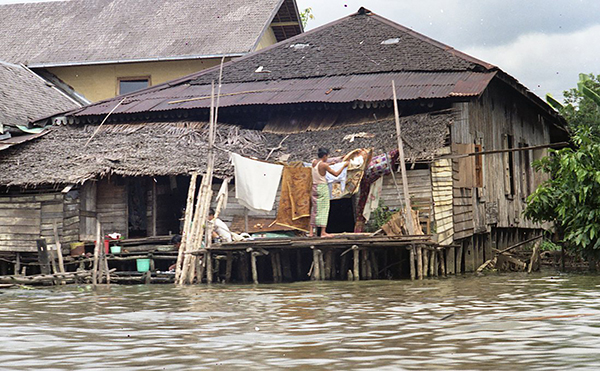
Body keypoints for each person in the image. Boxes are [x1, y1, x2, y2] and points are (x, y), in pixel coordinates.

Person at [310, 148, 349, 237]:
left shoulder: (314, 162)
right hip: (322, 187)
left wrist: (330, 164)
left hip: (314, 187)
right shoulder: (324, 165)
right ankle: (323, 232)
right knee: (324, 209)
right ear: (325, 156)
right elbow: (336, 174)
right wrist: (344, 166)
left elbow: (322, 165)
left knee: (315, 209)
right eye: (327, 156)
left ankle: (311, 232)